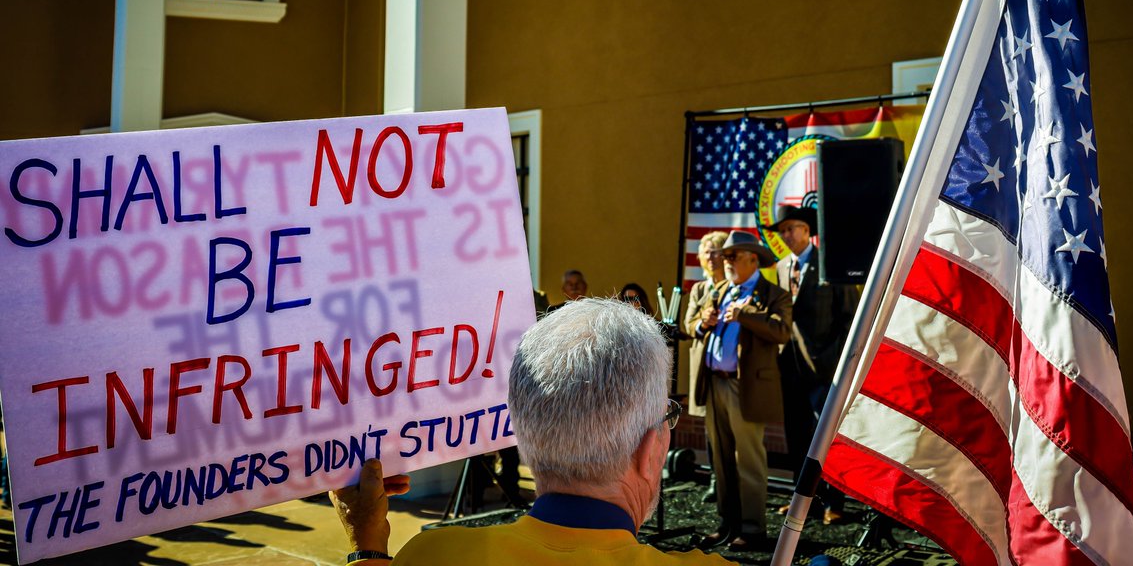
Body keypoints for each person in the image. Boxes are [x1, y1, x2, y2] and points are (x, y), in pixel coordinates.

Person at [330, 298, 733, 564]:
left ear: (524, 437)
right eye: (668, 417)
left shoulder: (432, 554)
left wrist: (367, 543)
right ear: (650, 452)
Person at [686, 230, 791, 552]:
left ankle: (753, 529)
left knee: (748, 460)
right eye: (725, 256)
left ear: (752, 259)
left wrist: (745, 315)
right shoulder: (718, 290)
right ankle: (727, 523)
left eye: (732, 256)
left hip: (743, 386)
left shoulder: (773, 294)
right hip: (714, 382)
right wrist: (704, 322)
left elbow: (782, 331)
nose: (725, 262)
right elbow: (690, 327)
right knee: (721, 460)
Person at [767, 204, 859, 524]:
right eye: (783, 231)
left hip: (825, 370)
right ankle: (802, 501)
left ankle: (834, 501)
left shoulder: (829, 264)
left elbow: (850, 318)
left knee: (826, 438)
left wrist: (839, 361)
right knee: (797, 435)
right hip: (789, 368)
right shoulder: (780, 268)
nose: (787, 235)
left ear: (807, 231)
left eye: (792, 228)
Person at [681, 231, 728, 502]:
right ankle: (715, 479)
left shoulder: (735, 287)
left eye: (716, 251)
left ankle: (731, 482)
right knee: (710, 428)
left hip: (729, 367)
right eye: (706, 252)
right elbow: (688, 325)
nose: (711, 257)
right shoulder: (699, 289)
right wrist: (702, 323)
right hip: (703, 369)